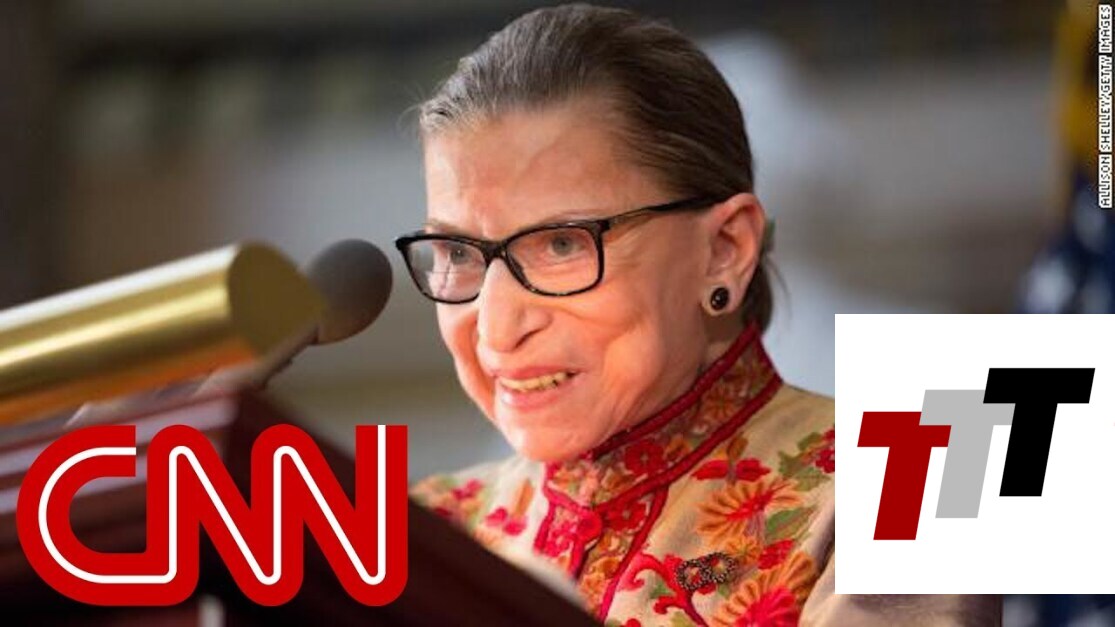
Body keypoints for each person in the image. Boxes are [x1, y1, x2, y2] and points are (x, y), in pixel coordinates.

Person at [399, 4, 999, 625]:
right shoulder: (425, 530)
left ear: (724, 250)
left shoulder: (920, 476)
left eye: (562, 245)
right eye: (456, 252)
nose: (496, 329)